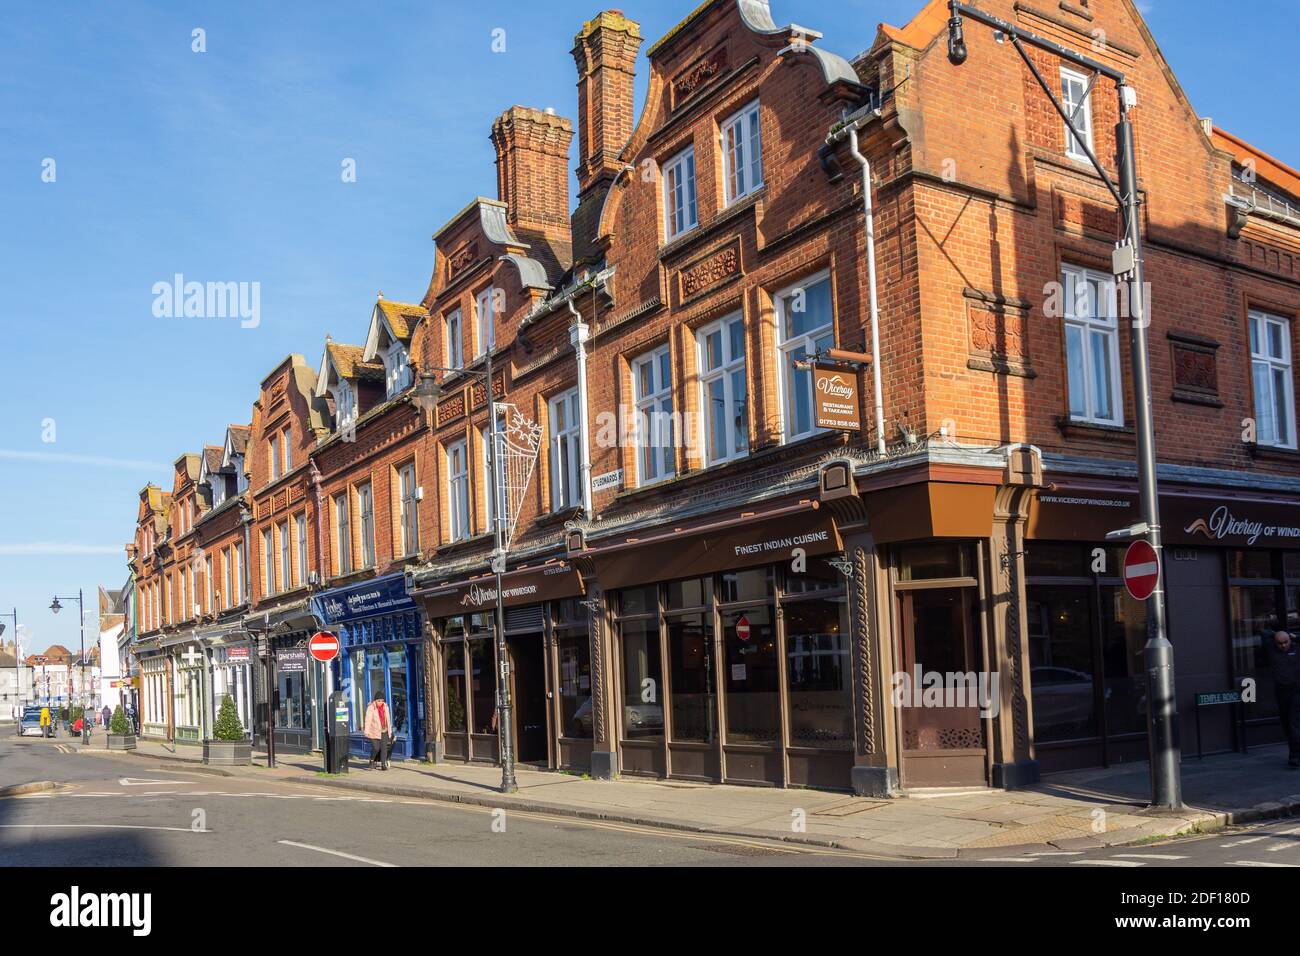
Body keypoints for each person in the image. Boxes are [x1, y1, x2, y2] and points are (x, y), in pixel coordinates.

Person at [1267, 630, 1300, 768]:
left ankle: (1294, 756)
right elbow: (1263, 632)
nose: (1283, 646)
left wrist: (1295, 636)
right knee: (1286, 723)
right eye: (1280, 643)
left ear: (1290, 641)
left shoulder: (1296, 649)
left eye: (1285, 642)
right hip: (1281, 692)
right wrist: (1276, 633)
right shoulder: (1272, 650)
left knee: (1294, 723)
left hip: (1297, 691)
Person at [363, 693, 393, 770]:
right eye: (379, 701)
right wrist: (366, 731)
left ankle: (383, 765)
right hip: (374, 731)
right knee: (376, 748)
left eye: (382, 701)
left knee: (384, 748)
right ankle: (372, 760)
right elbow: (368, 720)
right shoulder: (371, 708)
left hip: (384, 730)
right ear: (375, 701)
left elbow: (388, 720)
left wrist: (390, 730)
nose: (381, 702)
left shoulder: (386, 707)